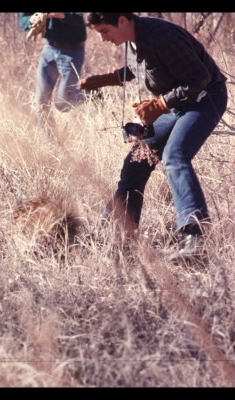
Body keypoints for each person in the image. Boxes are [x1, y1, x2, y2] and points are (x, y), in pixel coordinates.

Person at [80, 13, 228, 263]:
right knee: (137, 160)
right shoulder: (131, 40)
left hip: (206, 98)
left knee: (175, 154)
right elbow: (143, 67)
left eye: (105, 31)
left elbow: (198, 79)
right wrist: (108, 79)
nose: (104, 39)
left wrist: (160, 104)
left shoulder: (163, 36)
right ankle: (118, 234)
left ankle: (196, 239)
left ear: (122, 21)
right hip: (179, 104)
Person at [19, 12, 87, 140]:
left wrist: (61, 15)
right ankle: (50, 143)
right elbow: (23, 20)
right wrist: (32, 20)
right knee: (40, 100)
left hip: (73, 50)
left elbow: (85, 18)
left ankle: (87, 94)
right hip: (49, 48)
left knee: (63, 104)